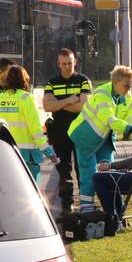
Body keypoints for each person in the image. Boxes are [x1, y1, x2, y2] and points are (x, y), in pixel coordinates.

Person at [67, 65, 132, 213]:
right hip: (84, 137)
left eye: (131, 86)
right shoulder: (101, 94)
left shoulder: (125, 93)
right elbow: (109, 120)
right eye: (127, 86)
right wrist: (131, 129)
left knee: (111, 173)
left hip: (104, 138)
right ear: (116, 82)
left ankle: (116, 212)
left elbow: (131, 114)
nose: (129, 89)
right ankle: (87, 213)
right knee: (89, 174)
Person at [42, 48, 92, 212]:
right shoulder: (51, 83)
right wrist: (71, 99)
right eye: (63, 64)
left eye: (69, 63)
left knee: (82, 167)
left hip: (80, 130)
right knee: (63, 169)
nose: (67, 67)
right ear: (58, 64)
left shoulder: (83, 80)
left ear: (75, 62)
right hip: (59, 131)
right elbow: (47, 106)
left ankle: (86, 203)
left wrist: (60, 103)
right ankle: (67, 205)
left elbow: (84, 106)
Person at [0, 65, 58, 181]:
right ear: (25, 80)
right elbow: (35, 129)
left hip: (4, 153)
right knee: (30, 191)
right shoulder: (27, 98)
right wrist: (49, 152)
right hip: (27, 156)